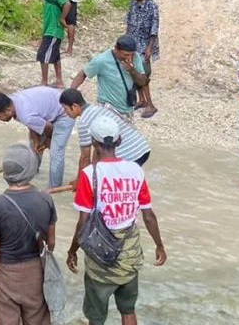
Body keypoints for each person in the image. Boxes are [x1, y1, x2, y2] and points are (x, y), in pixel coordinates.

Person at [66, 118, 166, 325]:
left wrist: (72, 250)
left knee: (96, 317)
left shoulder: (89, 174)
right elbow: (148, 215)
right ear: (119, 140)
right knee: (128, 311)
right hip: (129, 255)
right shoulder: (135, 170)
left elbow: (83, 222)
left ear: (94, 143)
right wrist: (159, 245)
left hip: (100, 257)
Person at [0, 144, 56, 325]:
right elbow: (51, 242)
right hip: (36, 273)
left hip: (7, 277)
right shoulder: (46, 199)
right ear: (31, 169)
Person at [0, 87, 76, 190]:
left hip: (64, 112)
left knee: (56, 152)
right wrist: (36, 140)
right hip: (47, 111)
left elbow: (48, 128)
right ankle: (31, 175)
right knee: (34, 148)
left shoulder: (26, 115)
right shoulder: (12, 101)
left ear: (8, 110)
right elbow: (33, 123)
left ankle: (54, 188)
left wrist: (48, 140)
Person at [59, 89, 151, 176]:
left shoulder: (84, 122)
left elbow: (85, 158)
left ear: (75, 107)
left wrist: (80, 182)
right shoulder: (99, 108)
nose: (65, 112)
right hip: (142, 147)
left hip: (129, 155)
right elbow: (97, 150)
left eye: (65, 108)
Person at [70, 36, 148, 120]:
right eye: (126, 55)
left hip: (127, 109)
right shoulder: (102, 60)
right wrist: (70, 93)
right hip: (108, 108)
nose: (129, 58)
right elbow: (83, 74)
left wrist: (132, 70)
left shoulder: (135, 58)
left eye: (131, 55)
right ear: (116, 49)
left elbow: (143, 82)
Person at [124, 0, 160, 119]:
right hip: (133, 43)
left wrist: (149, 48)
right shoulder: (133, 3)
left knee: (143, 75)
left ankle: (151, 105)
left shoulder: (152, 6)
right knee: (135, 73)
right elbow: (129, 21)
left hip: (145, 44)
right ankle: (142, 100)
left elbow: (154, 29)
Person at [36, 0, 72, 87]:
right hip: (49, 28)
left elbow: (66, 3)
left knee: (43, 55)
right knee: (55, 56)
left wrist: (62, 18)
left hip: (54, 29)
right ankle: (59, 81)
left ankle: (44, 82)